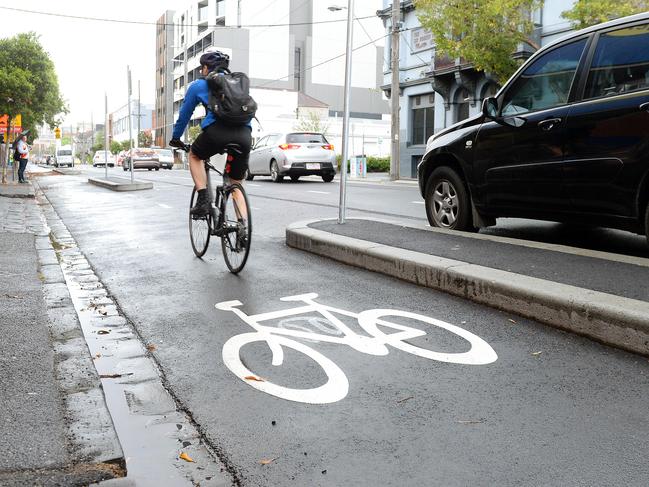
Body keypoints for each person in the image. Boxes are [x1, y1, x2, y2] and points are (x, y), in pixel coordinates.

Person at [169, 50, 252, 216]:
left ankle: (203, 200)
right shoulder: (237, 84)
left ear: (206, 68)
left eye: (202, 68)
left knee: (194, 155)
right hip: (244, 135)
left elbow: (184, 115)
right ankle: (243, 228)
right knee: (236, 183)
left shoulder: (199, 85)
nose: (201, 71)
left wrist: (176, 138)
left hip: (217, 133)